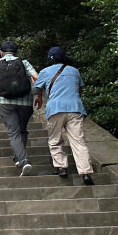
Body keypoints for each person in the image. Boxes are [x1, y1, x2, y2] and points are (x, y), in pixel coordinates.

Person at [33, 45, 95, 185]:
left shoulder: (45, 71)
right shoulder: (74, 71)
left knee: (55, 139)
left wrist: (34, 86)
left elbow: (36, 90)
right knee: (78, 141)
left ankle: (62, 167)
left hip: (55, 108)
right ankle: (85, 172)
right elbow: (80, 89)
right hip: (75, 108)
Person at [0, 39, 38, 174]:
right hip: (25, 102)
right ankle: (18, 157)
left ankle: (24, 160)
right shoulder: (23, 62)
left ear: (1, 52)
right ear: (15, 52)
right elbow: (36, 78)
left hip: (6, 102)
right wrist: (39, 96)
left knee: (13, 132)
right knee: (22, 130)